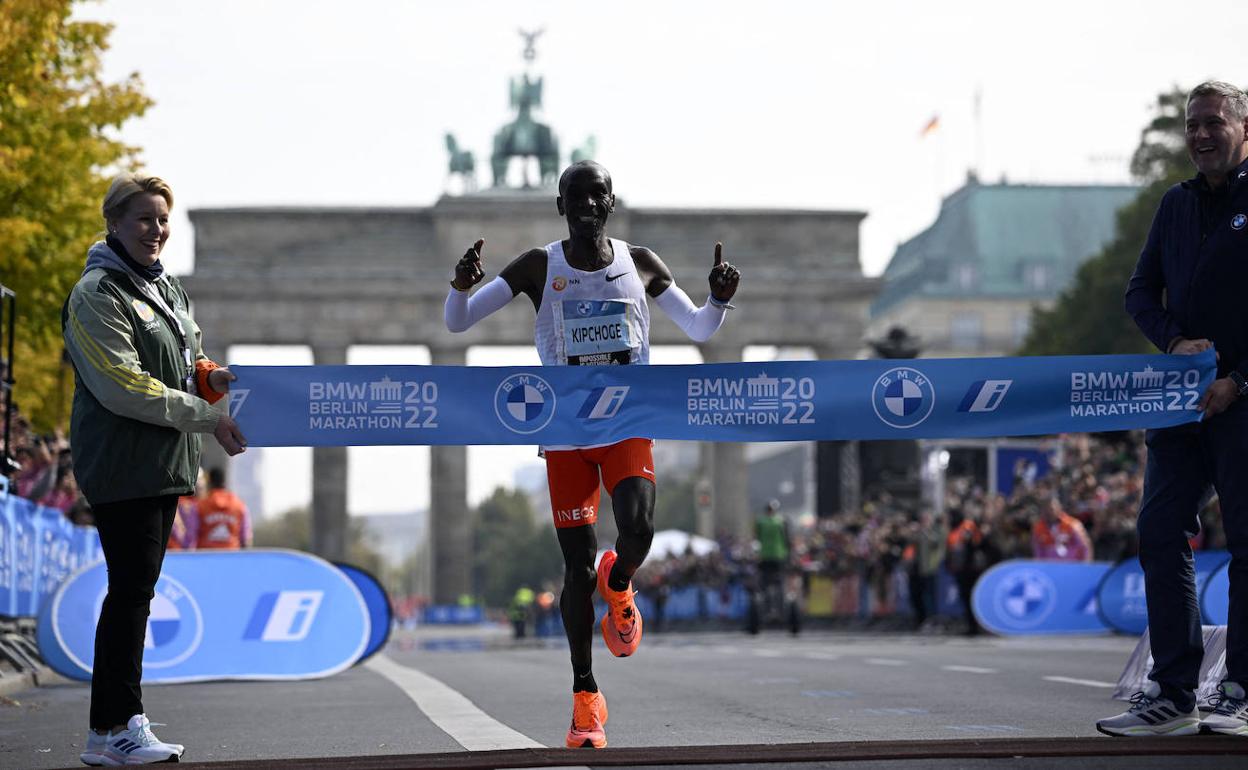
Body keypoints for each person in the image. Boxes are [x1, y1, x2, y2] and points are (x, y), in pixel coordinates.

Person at [443, 160, 739, 748]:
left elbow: (701, 329)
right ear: (561, 206)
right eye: (574, 197)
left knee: (639, 528)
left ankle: (622, 581)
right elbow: (457, 324)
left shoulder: (642, 263)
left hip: (628, 424)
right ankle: (585, 697)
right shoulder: (537, 265)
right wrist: (460, 286)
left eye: (596, 195)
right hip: (566, 434)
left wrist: (719, 299)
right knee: (575, 568)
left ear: (611, 203)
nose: (585, 205)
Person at [63, 173, 247, 765]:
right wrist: (207, 415)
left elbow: (184, 360)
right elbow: (124, 385)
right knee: (130, 594)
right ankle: (116, 727)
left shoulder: (165, 288)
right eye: (144, 219)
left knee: (134, 593)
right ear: (113, 223)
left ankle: (113, 727)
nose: (157, 230)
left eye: (163, 220)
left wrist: (209, 376)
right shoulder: (99, 293)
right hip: (123, 461)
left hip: (162, 463)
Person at [1098, 81, 1248, 738]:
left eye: (1213, 121)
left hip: (1244, 402)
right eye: (1192, 125)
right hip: (1180, 401)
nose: (1200, 135)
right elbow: (1138, 291)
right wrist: (1174, 342)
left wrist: (1239, 379)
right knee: (1160, 532)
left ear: (1243, 125)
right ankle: (1173, 692)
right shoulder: (1175, 203)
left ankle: (1239, 691)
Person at [186, 466, 252, 549]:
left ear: (209, 483)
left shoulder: (199, 506)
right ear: (225, 482)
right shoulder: (240, 506)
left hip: (205, 558)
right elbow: (246, 540)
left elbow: (190, 538)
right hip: (232, 557)